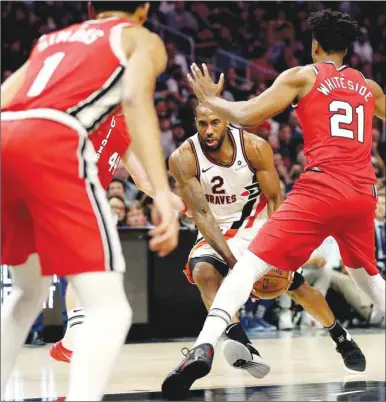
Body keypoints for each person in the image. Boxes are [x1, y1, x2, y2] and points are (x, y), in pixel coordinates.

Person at [163, 10, 385, 399]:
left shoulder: (303, 75)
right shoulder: (367, 85)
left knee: (247, 268)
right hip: (364, 192)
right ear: (347, 48)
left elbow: (249, 114)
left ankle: (203, 344)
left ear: (315, 46)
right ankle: (334, 336)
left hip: (322, 187)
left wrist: (211, 99)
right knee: (367, 276)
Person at [1, 2, 180, 400]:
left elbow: (4, 98)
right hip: (54, 146)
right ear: (145, 9)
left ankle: (69, 339)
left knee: (26, 293)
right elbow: (136, 99)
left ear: (89, 7)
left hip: (7, 137)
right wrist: (165, 195)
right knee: (112, 309)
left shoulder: (51, 40)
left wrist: (160, 190)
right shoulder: (139, 38)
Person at [163, 102, 366, 389]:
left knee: (297, 287)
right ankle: (243, 345)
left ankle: (339, 336)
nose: (209, 131)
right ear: (194, 123)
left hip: (256, 228)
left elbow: (274, 201)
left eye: (215, 123)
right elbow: (203, 215)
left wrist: (280, 250)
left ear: (228, 121)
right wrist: (235, 266)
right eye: (202, 124)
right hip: (215, 229)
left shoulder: (254, 148)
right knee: (203, 273)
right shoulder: (183, 157)